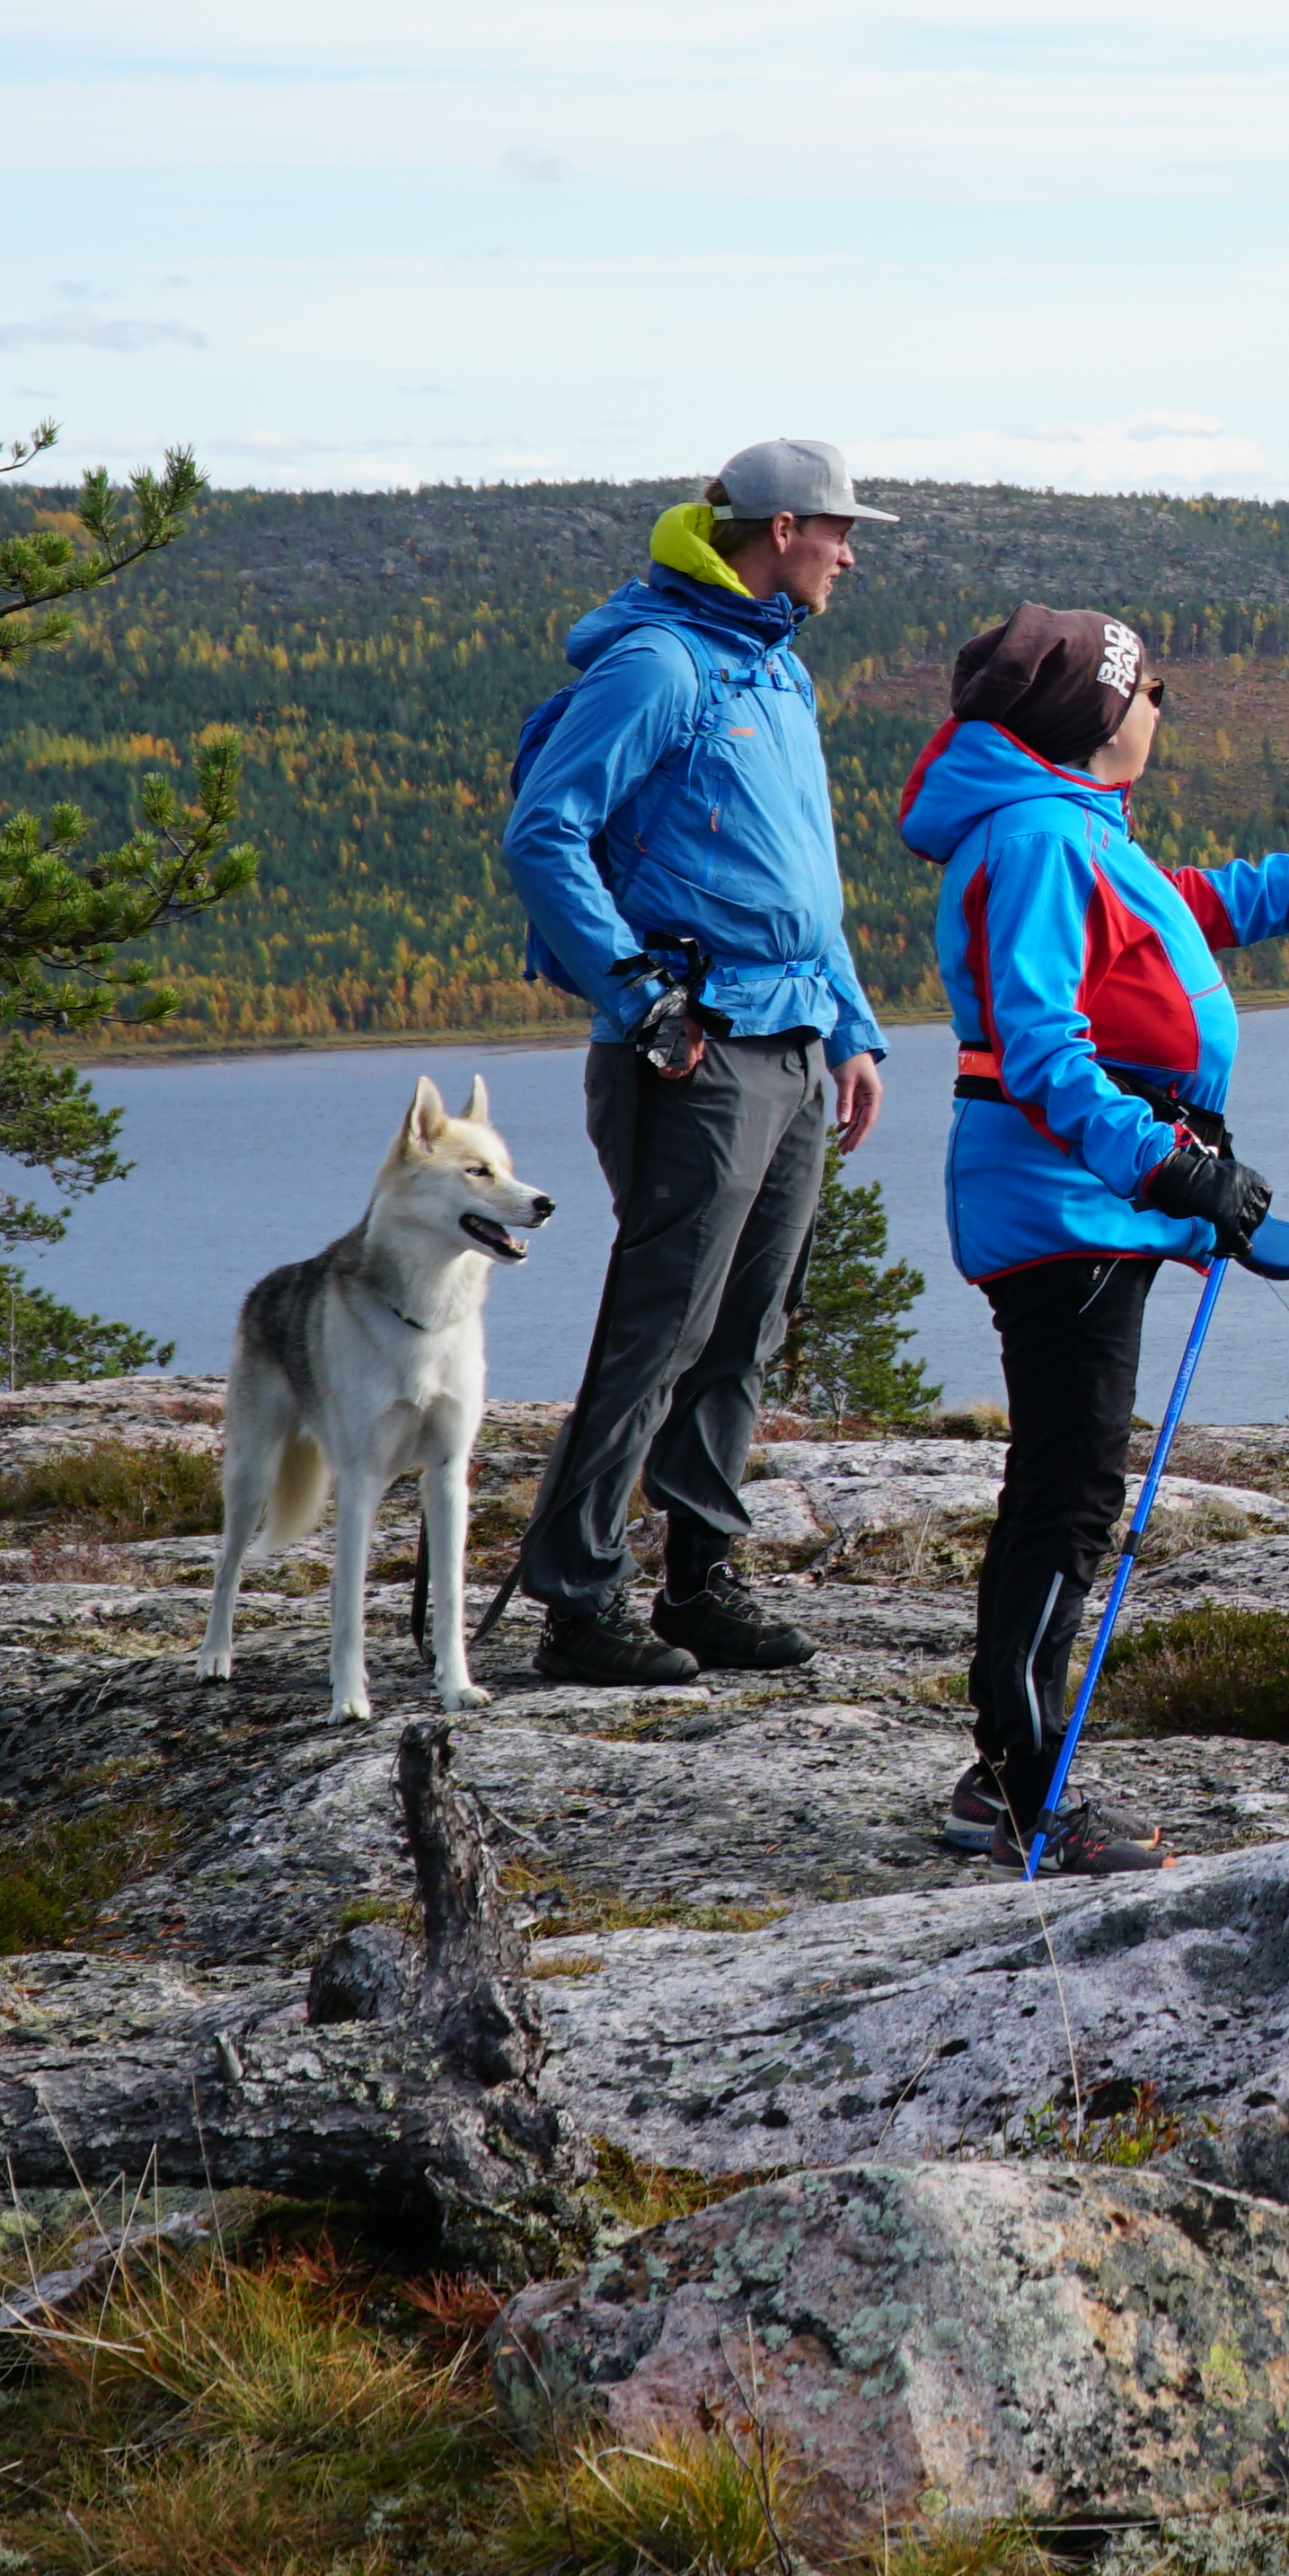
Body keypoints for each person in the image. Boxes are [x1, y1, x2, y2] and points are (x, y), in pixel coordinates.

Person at [899, 601, 1289, 1866]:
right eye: (1148, 693)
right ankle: (1025, 1789)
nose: (1161, 712)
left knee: (1066, 1486)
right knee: (1068, 1493)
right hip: (1063, 1205)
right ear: (1091, 717)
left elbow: (1165, 915)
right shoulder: (1037, 839)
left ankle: (1006, 1774)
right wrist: (1177, 1166)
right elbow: (1038, 1049)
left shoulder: (1073, 827)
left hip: (1091, 1200)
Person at [497, 440, 897, 1689]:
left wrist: (853, 1024)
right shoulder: (661, 664)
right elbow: (544, 832)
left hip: (788, 1039)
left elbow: (802, 877)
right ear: (778, 530)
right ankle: (579, 1601)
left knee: (747, 1322)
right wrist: (634, 994)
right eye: (839, 529)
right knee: (661, 1324)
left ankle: (701, 1579)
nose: (851, 551)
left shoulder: (774, 671)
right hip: (696, 1052)